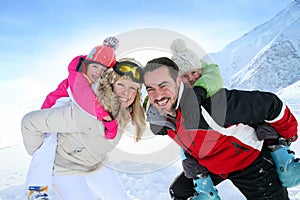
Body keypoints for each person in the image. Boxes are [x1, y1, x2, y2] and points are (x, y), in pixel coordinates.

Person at [143, 56, 298, 200]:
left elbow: (271, 105)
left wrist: (287, 137)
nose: (158, 95)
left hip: (249, 163)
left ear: (177, 82)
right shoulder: (163, 119)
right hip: (213, 167)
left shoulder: (214, 106)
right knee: (179, 192)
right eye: (151, 88)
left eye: (164, 85)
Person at [22, 57, 146, 199]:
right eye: (121, 85)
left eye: (132, 88)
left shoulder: (125, 112)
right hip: (67, 169)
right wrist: (40, 152)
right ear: (110, 84)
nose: (126, 93)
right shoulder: (86, 110)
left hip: (96, 163)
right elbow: (30, 122)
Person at [24, 36, 120, 200]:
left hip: (69, 118)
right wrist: (108, 120)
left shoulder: (93, 80)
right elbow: (87, 103)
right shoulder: (78, 76)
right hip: (52, 113)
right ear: (87, 63)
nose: (98, 72)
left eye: (103, 70)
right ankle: (37, 191)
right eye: (95, 66)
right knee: (46, 148)